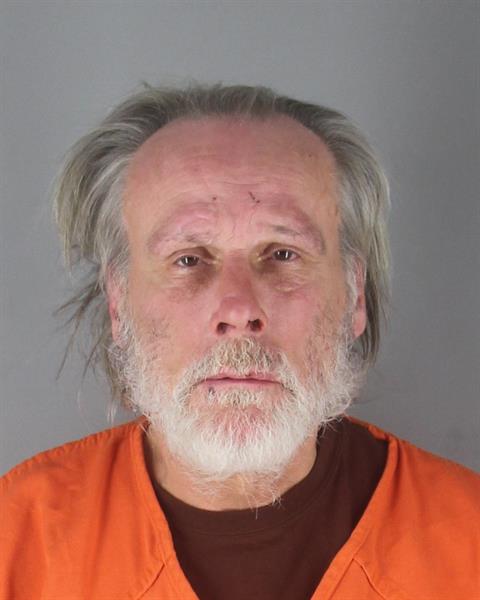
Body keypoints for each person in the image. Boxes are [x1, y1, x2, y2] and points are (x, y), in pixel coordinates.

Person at [1, 84, 478, 600]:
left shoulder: (468, 540)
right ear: (119, 302)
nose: (239, 309)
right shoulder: (17, 541)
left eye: (283, 254)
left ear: (354, 294)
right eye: (188, 259)